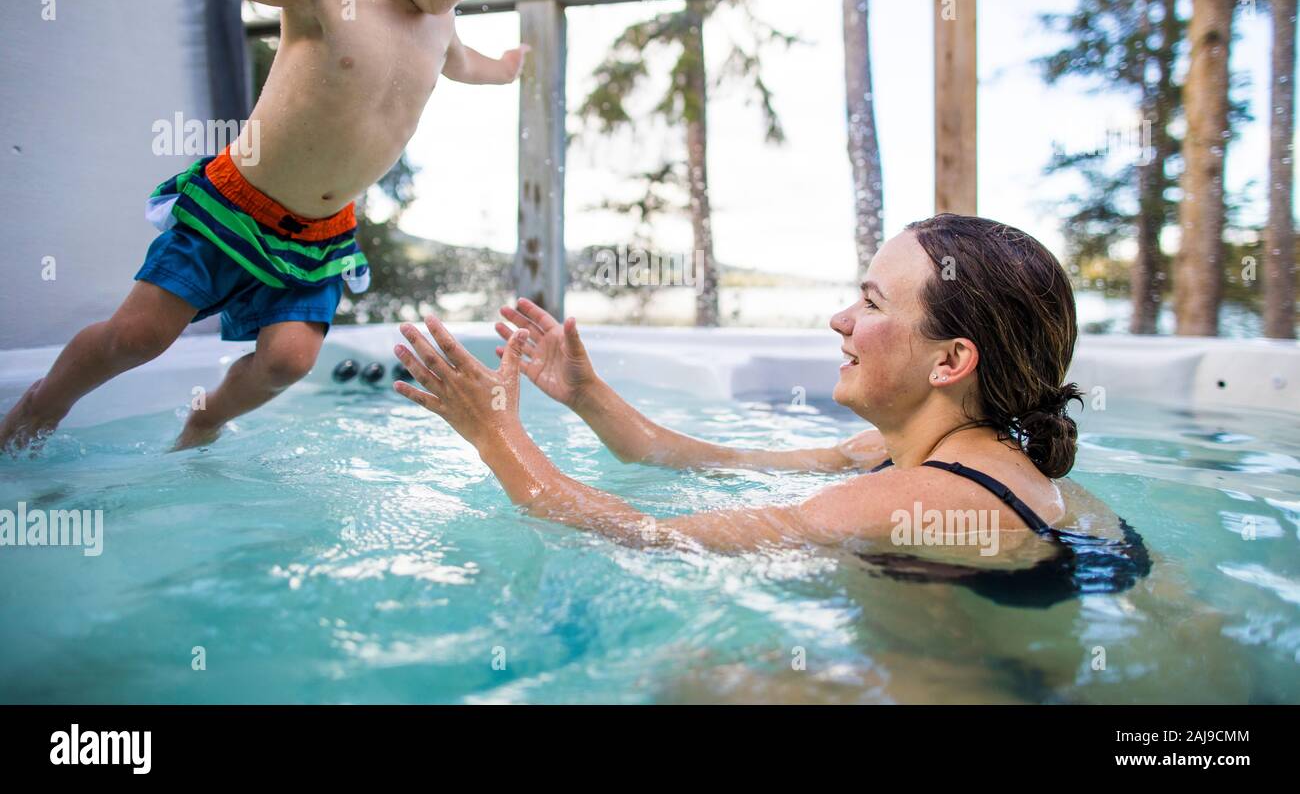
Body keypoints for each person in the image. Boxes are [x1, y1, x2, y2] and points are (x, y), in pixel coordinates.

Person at [0, 0, 526, 452]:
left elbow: (466, 65)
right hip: (236, 206)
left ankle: (207, 418)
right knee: (138, 336)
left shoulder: (441, 27)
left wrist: (508, 68)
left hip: (321, 234)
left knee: (288, 361)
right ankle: (43, 403)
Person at [388, 214, 1150, 600]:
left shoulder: (922, 494)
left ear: (951, 361)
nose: (841, 322)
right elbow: (702, 461)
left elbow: (650, 540)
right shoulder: (908, 458)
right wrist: (589, 397)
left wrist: (493, 433)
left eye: (872, 303)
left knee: (695, 676)